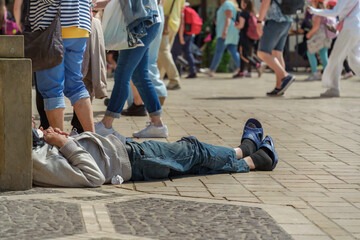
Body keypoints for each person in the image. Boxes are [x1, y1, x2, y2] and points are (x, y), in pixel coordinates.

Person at [32, 118, 278, 187]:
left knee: (192, 166)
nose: (34, 122)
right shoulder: (34, 162)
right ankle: (242, 151)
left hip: (126, 153)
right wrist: (65, 145)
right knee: (193, 150)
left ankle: (254, 161)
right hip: (131, 159)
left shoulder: (34, 152)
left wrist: (60, 139)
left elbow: (77, 157)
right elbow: (93, 176)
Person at [94, 0, 169, 138]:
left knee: (122, 74)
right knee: (139, 75)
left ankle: (106, 124)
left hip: (142, 23)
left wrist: (91, 4)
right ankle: (157, 124)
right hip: (147, 21)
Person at [27, 0, 95, 132]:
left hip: (51, 26)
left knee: (52, 89)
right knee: (75, 84)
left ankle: (60, 146)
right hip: (80, 24)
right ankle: (94, 141)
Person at [121, 0, 168, 116]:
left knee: (134, 65)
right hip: (155, 11)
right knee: (148, 61)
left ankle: (138, 101)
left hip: (144, 13)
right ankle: (154, 94)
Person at [309, 0, 360, 97]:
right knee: (354, 60)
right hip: (357, 28)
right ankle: (334, 87)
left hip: (349, 29)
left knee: (335, 58)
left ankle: (334, 88)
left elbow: (335, 12)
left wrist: (314, 10)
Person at [256, 0, 295, 96]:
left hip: (275, 21)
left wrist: (259, 21)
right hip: (287, 21)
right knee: (277, 53)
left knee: (262, 53)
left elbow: (266, 2)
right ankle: (279, 87)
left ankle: (285, 76)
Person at [204, 0, 240, 77]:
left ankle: (212, 70)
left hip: (225, 32)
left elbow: (228, 17)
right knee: (232, 50)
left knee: (218, 51)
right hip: (229, 31)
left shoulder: (227, 4)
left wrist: (225, 31)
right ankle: (239, 68)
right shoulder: (228, 4)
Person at [158, 0, 186, 90]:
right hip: (175, 23)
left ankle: (174, 79)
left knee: (163, 51)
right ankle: (158, 79)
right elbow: (182, 10)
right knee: (163, 53)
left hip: (165, 22)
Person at [234, 0, 262, 78]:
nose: (241, 4)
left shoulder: (243, 13)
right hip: (252, 37)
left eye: (242, 2)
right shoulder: (253, 13)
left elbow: (241, 26)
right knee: (247, 54)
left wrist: (235, 25)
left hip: (244, 36)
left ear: (245, 4)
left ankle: (257, 64)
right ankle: (241, 72)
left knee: (243, 55)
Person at [171, 2, 199, 79]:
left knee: (173, 53)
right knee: (188, 52)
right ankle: (193, 71)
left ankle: (172, 74)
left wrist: (180, 37)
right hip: (189, 34)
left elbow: (181, 24)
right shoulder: (190, 11)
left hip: (182, 34)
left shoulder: (182, 11)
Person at [305, 0, 331, 81]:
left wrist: (309, 34)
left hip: (319, 35)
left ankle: (315, 73)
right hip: (326, 35)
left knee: (310, 52)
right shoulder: (325, 12)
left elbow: (316, 27)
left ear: (315, 2)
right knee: (323, 54)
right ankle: (328, 74)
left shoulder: (317, 13)